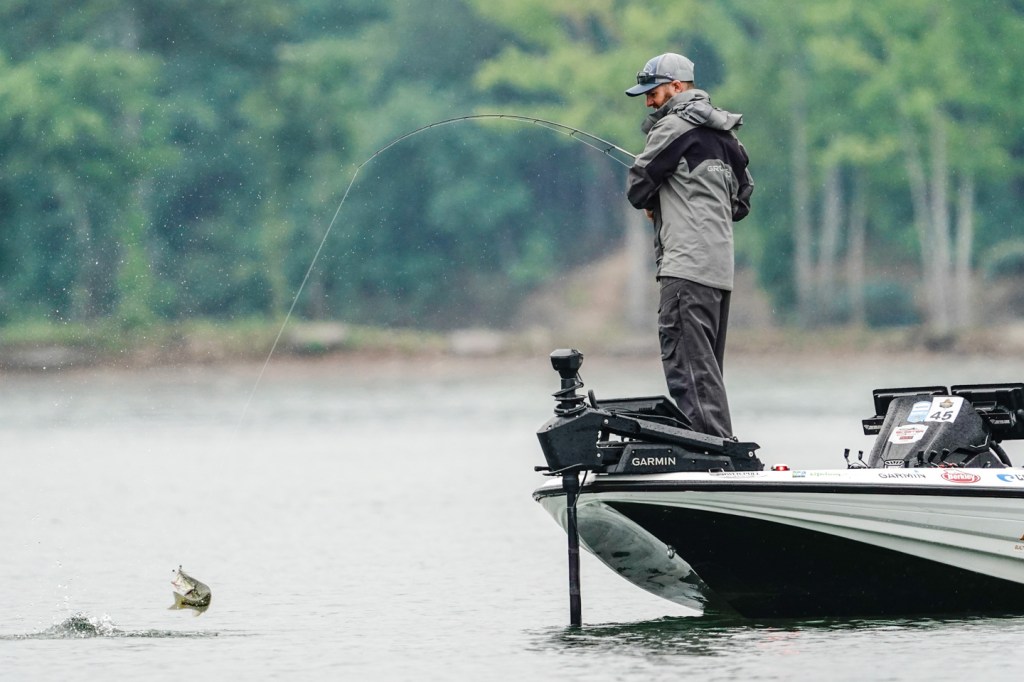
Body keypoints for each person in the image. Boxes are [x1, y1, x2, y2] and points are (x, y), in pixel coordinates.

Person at [624, 53, 753, 439]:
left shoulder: (673, 127)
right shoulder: (727, 136)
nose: (649, 102)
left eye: (653, 93)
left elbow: (637, 186)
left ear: (677, 87)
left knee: (689, 372)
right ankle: (720, 447)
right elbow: (742, 201)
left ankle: (717, 456)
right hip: (719, 275)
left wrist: (656, 201)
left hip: (685, 270)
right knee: (706, 374)